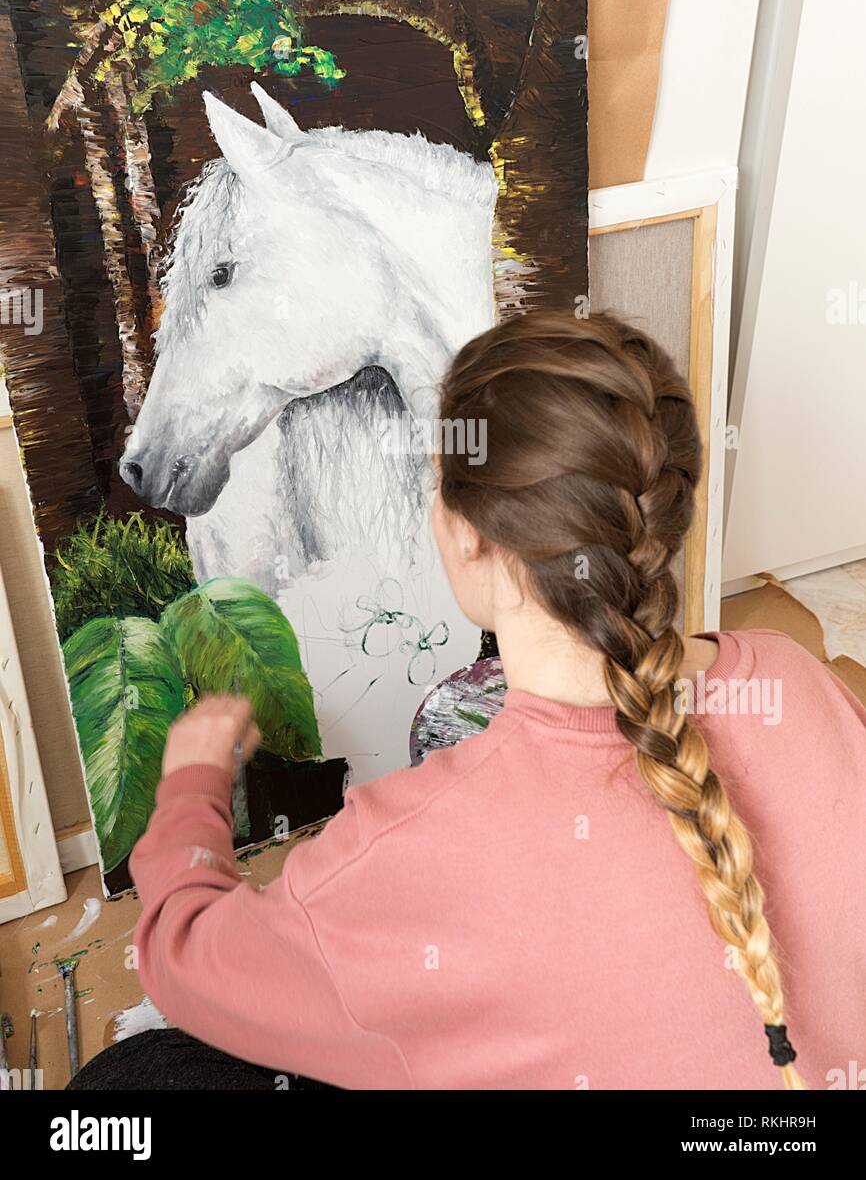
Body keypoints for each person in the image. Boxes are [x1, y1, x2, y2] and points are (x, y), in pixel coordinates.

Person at [131, 310, 866, 1090]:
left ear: (466, 534)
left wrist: (190, 787)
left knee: (132, 1082)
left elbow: (184, 954)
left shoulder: (408, 858)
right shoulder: (797, 681)